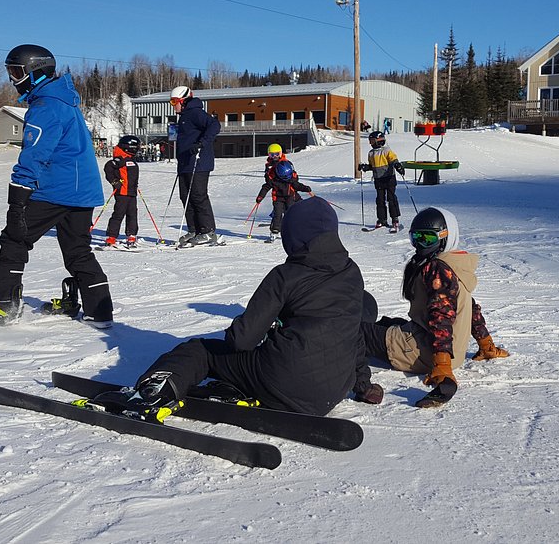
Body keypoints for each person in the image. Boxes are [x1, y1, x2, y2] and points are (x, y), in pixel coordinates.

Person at [120, 197, 373, 416]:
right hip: (333, 390)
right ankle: (236, 386)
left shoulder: (286, 275)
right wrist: (363, 384)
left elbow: (241, 341)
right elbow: (354, 333)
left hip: (285, 381)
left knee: (200, 350)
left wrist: (247, 331)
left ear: (294, 236)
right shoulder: (351, 272)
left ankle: (155, 390)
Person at [0, 44, 114, 327]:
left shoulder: (45, 106)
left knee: (15, 239)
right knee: (78, 251)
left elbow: (35, 152)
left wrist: (19, 193)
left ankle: (2, 305)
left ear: (34, 72)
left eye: (16, 72)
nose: (13, 79)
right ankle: (100, 311)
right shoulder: (64, 101)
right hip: (81, 192)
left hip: (54, 190)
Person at [359, 206, 509, 408]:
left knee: (353, 331)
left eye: (428, 238)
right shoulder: (455, 264)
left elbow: (442, 317)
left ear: (445, 238)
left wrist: (442, 367)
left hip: (426, 354)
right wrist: (486, 344)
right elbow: (471, 309)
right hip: (444, 350)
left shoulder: (438, 268)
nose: (420, 244)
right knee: (386, 323)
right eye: (416, 238)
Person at [171, 85, 222, 247]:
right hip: (185, 163)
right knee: (185, 197)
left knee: (198, 196)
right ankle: (194, 230)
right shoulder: (184, 116)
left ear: (183, 101)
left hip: (199, 162)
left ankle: (207, 231)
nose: (173, 105)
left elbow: (214, 125)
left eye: (175, 102)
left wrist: (202, 143)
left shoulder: (195, 113)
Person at [358, 130, 405, 232]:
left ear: (379, 140)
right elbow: (372, 166)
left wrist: (397, 165)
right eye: (370, 141)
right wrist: (365, 167)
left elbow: (393, 159)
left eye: (372, 141)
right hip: (378, 179)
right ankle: (382, 219)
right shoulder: (371, 153)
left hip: (389, 178)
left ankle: (395, 219)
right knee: (380, 200)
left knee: (391, 198)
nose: (371, 143)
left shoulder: (386, 150)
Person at [256, 160, 313, 243]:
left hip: (290, 197)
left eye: (288, 176)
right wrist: (260, 197)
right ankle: (274, 231)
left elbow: (297, 185)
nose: (287, 179)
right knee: (277, 214)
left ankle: (291, 231)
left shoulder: (292, 178)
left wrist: (305, 188)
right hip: (278, 199)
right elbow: (266, 187)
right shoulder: (273, 179)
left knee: (290, 214)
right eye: (284, 177)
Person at [103, 135, 141, 249]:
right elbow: (108, 168)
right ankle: (111, 237)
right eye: (136, 147)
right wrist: (115, 182)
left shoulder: (130, 158)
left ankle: (132, 235)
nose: (137, 150)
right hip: (122, 193)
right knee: (118, 214)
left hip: (131, 192)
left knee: (132, 214)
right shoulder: (120, 159)